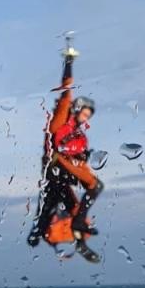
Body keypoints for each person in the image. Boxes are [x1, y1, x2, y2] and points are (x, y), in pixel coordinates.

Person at [27, 44, 103, 263]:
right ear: (77, 110)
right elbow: (66, 92)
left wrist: (82, 160)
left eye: (89, 116)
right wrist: (69, 63)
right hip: (55, 169)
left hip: (62, 175)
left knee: (67, 207)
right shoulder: (61, 120)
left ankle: (74, 241)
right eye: (85, 113)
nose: (86, 118)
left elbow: (80, 156)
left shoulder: (79, 134)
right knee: (58, 205)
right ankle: (40, 234)